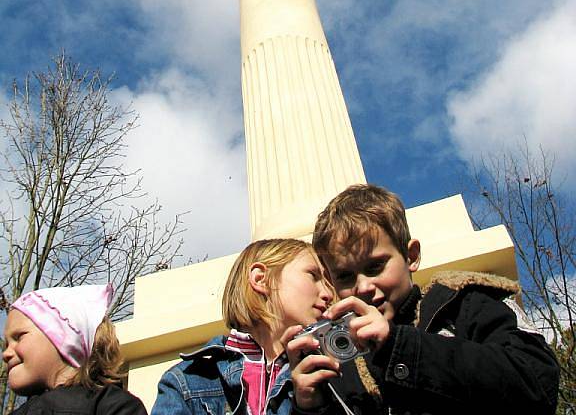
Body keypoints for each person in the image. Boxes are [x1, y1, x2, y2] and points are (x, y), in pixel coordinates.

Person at [285, 184, 560, 415]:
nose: (364, 287)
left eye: (375, 266)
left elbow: (538, 383)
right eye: (345, 276)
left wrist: (398, 344)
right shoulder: (337, 365)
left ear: (411, 256)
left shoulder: (465, 304)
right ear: (332, 282)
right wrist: (311, 407)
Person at [151, 239, 333, 415]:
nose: (328, 294)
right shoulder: (187, 381)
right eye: (314, 276)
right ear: (261, 279)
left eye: (329, 282)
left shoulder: (331, 370)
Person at [3, 284, 147, 415]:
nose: (6, 354)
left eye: (19, 337)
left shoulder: (112, 406)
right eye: (6, 345)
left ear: (63, 337)